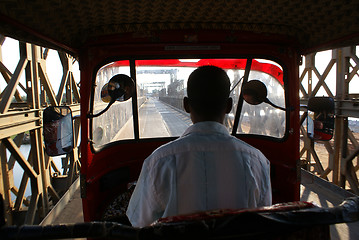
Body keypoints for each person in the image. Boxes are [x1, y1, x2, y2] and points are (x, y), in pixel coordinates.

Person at [126, 65, 272, 227]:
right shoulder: (257, 161)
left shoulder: (158, 161)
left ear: (186, 105)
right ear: (229, 106)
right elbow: (262, 221)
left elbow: (139, 224)